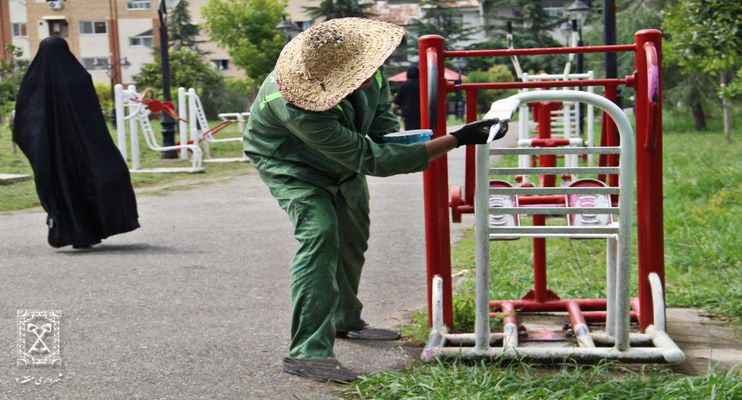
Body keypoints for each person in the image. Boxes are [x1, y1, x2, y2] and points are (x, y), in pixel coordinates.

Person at [244, 18, 506, 383]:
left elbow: (381, 129)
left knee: (353, 237)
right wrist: (457, 139)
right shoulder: (294, 101)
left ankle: (345, 319)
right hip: (292, 167)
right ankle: (307, 351)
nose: (368, 79)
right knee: (321, 234)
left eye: (367, 71)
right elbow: (372, 159)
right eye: (356, 77)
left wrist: (415, 142)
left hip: (344, 159)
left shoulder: (371, 71)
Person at [13, 37, 139, 248]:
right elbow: (92, 117)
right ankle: (80, 229)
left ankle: (70, 228)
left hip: (51, 150)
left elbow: (25, 118)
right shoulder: (78, 77)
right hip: (84, 145)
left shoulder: (33, 82)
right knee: (93, 181)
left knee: (61, 185)